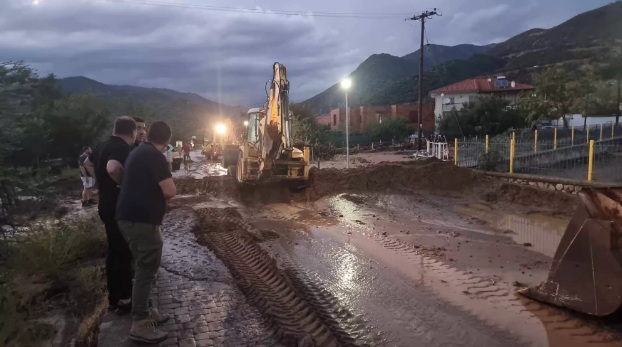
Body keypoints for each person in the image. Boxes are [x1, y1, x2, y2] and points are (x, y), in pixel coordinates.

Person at [116, 121, 176, 344]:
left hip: (130, 218)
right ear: (168, 139)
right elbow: (170, 191)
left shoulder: (140, 150)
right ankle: (139, 323)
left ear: (148, 135)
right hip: (140, 221)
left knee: (144, 267)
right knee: (146, 268)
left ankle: (146, 311)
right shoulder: (154, 156)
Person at [83, 116, 137, 315]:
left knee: (114, 250)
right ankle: (125, 298)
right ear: (131, 133)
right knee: (123, 251)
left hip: (104, 203)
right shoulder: (122, 148)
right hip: (117, 206)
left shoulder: (101, 145)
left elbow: (88, 164)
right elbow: (113, 167)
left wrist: (101, 180)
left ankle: (114, 297)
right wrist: (123, 183)